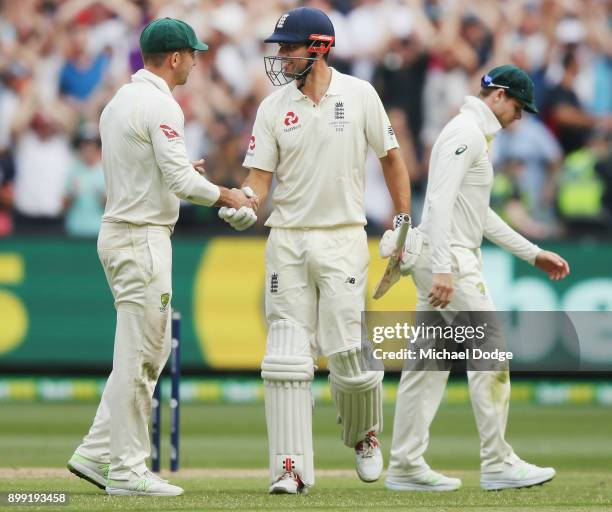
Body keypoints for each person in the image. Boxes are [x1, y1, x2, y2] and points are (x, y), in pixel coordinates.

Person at [220, 6, 411, 495]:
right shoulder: (272, 108)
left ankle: (364, 436)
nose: (281, 56)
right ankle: (291, 468)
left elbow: (392, 160)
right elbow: (258, 179)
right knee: (285, 357)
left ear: (319, 48)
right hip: (288, 240)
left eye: (289, 47)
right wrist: (248, 204)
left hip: (344, 235)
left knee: (348, 352)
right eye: (280, 48)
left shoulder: (360, 94)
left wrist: (404, 220)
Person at [67, 18, 257, 496]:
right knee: (144, 356)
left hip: (122, 233)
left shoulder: (120, 101)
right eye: (192, 54)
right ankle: (128, 470)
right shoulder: (161, 105)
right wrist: (228, 196)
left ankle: (95, 452)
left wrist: (179, 175)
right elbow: (181, 182)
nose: (196, 60)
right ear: (174, 57)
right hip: (141, 238)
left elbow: (142, 167)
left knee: (138, 351)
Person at [385, 65, 570, 492]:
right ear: (500, 96)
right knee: (490, 351)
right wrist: (446, 267)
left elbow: (478, 213)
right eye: (519, 107)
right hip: (448, 257)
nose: (520, 117)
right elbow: (439, 202)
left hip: (443, 254)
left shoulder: (474, 134)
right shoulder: (466, 132)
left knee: (428, 365)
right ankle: (497, 462)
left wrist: (533, 253)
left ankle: (406, 465)